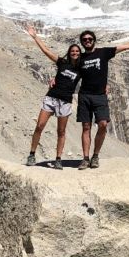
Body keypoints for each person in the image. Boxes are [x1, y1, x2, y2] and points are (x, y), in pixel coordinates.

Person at [76, 29, 129, 169]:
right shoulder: (79, 58)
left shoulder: (103, 52)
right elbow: (66, 68)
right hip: (84, 95)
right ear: (82, 42)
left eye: (89, 39)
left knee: (103, 124)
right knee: (86, 127)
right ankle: (85, 158)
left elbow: (123, 47)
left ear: (94, 40)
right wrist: (55, 80)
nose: (87, 41)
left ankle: (96, 156)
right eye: (84, 40)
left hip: (100, 96)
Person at [25, 25, 83, 169]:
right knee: (39, 126)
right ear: (69, 53)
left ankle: (58, 159)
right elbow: (46, 51)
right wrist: (35, 37)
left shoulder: (81, 69)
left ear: (79, 54)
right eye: (72, 51)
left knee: (61, 131)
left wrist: (104, 86)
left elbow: (95, 73)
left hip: (65, 102)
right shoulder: (62, 63)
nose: (74, 53)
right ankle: (31, 154)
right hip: (51, 97)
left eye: (77, 51)